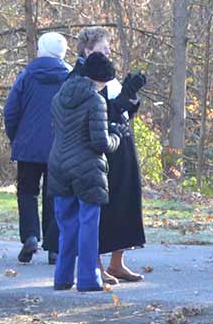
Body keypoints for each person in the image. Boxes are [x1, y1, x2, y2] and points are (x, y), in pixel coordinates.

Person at [79, 28, 149, 282]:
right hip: (102, 149)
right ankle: (95, 263)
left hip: (122, 146)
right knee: (103, 209)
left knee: (126, 202)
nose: (108, 50)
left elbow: (120, 112)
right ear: (88, 51)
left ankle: (117, 263)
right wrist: (122, 99)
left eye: (108, 46)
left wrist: (130, 98)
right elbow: (98, 114)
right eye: (103, 46)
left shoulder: (109, 77)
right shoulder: (84, 78)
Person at [50, 51, 123, 292]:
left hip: (59, 165)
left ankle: (62, 277)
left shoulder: (59, 97)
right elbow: (99, 143)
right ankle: (88, 278)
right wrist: (116, 137)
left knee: (66, 226)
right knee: (88, 224)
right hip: (87, 168)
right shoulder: (95, 101)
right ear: (100, 79)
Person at [3, 32, 70, 264]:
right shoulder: (70, 76)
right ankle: (54, 247)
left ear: (41, 49)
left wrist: (16, 137)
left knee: (27, 192)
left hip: (29, 145)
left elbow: (11, 110)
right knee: (55, 194)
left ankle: (30, 236)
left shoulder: (27, 75)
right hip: (60, 147)